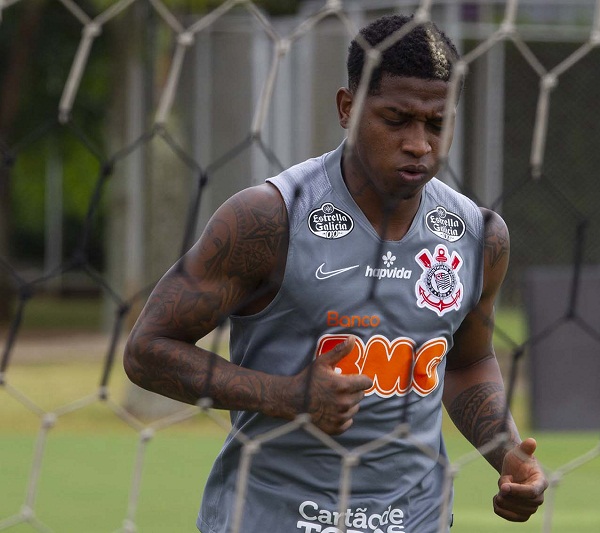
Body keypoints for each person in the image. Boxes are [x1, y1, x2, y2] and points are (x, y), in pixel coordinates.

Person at [124, 13, 547, 533]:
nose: (419, 143)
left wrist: (507, 455)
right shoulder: (268, 218)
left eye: (437, 124)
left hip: (414, 520)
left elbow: (467, 362)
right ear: (347, 108)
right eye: (397, 119)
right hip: (271, 519)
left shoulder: (479, 234)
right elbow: (147, 351)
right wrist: (288, 397)